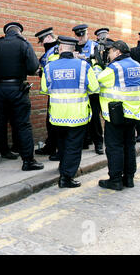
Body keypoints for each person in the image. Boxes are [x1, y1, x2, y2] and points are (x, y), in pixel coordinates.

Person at [41, 36, 99, 188]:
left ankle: (63, 168)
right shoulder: (84, 66)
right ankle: (66, 177)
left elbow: (45, 89)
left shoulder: (48, 67)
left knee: (62, 144)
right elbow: (94, 88)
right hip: (77, 115)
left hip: (57, 115)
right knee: (74, 147)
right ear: (74, 49)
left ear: (60, 49)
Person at [0, 22, 44, 170]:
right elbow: (32, 67)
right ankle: (28, 161)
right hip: (17, 89)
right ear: (19, 32)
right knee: (23, 125)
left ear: (6, 32)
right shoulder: (24, 44)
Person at [98, 40, 140, 190]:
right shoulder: (137, 65)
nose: (109, 55)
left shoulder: (115, 67)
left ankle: (115, 180)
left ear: (117, 52)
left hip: (117, 114)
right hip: (133, 113)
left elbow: (98, 80)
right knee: (129, 145)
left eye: (110, 52)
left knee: (114, 146)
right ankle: (129, 178)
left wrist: (97, 66)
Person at [72, 24, 104, 155]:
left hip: (91, 87)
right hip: (78, 88)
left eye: (82, 35)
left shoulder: (94, 46)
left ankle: (98, 143)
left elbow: (101, 64)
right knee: (80, 115)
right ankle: (84, 141)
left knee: (94, 117)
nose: (80, 38)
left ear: (87, 34)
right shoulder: (73, 46)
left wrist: (85, 59)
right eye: (78, 36)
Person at [34, 27, 60, 161]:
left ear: (49, 37)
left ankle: (57, 149)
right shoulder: (51, 50)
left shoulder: (55, 50)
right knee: (51, 121)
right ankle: (51, 146)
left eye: (43, 40)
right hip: (54, 91)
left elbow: (53, 71)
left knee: (56, 121)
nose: (42, 43)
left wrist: (42, 73)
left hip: (58, 92)